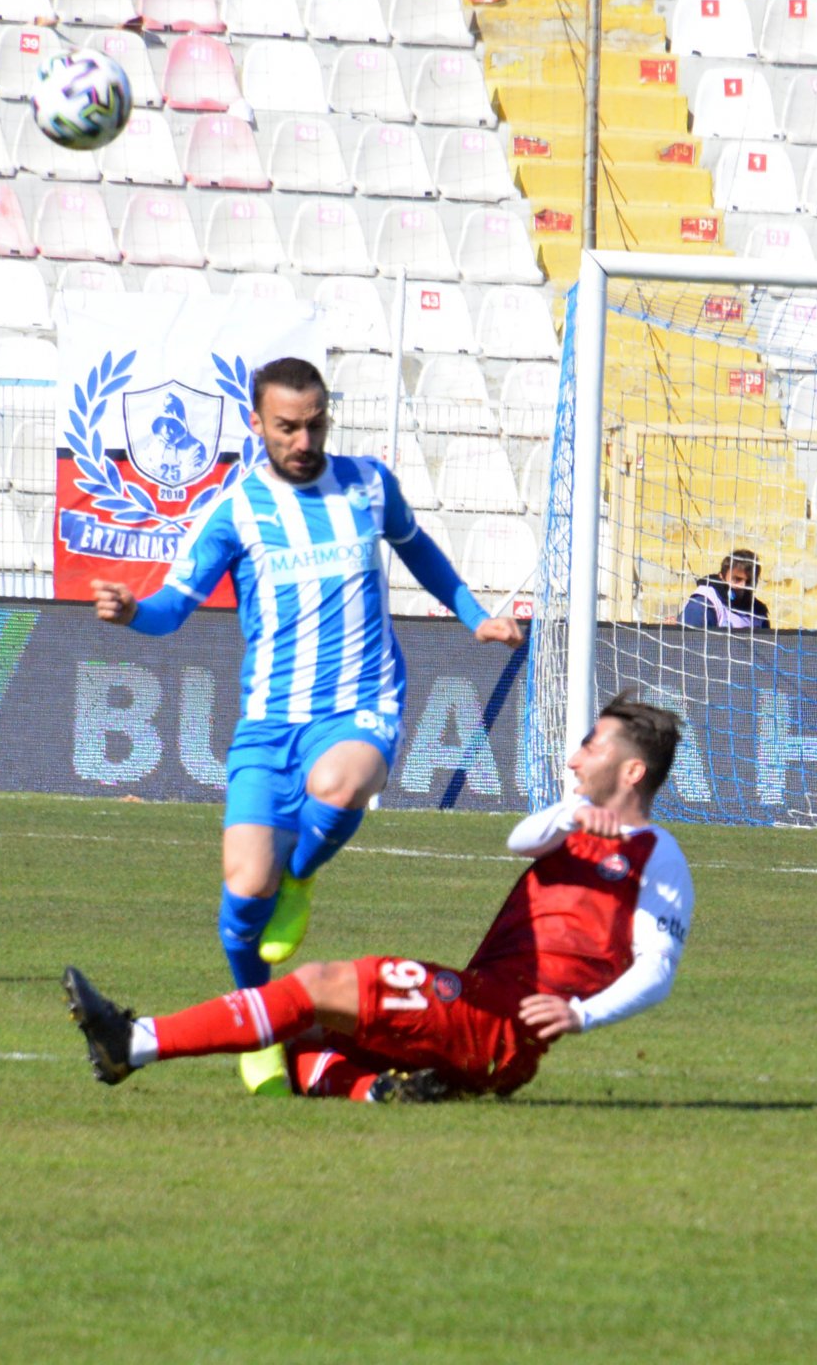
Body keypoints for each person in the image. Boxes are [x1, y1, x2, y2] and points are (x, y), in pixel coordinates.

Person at [90, 356, 524, 1095]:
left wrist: (476, 615)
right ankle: (257, 1027)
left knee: (341, 783)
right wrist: (133, 613)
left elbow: (418, 549)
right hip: (268, 724)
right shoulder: (235, 512)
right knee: (240, 900)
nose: (303, 438)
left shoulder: (367, 483)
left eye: (315, 423)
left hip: (360, 703)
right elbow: (172, 608)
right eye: (287, 426)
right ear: (257, 424)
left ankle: (301, 877)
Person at [62, 693, 695, 1104]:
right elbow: (521, 838)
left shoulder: (656, 855)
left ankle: (132, 1042)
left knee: (318, 984)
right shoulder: (571, 824)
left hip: (499, 1023)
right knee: (303, 1033)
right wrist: (575, 817)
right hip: (482, 1021)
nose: (574, 757)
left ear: (632, 771)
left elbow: (658, 971)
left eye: (591, 745)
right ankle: (382, 1093)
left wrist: (582, 1016)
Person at [680, 549, 770, 630]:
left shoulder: (758, 612)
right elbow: (692, 641)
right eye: (737, 579)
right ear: (722, 576)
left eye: (749, 581)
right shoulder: (705, 602)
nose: (743, 586)